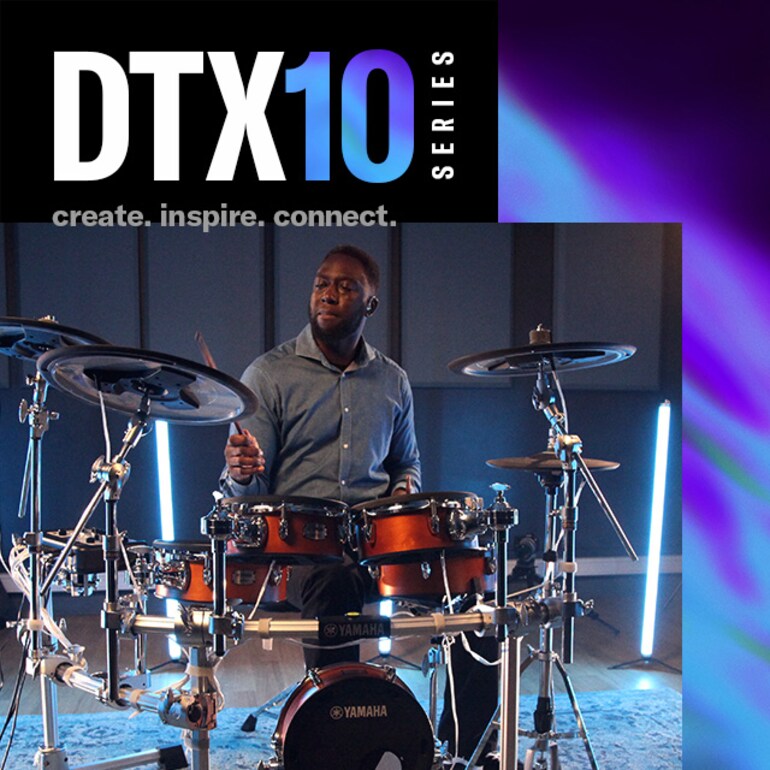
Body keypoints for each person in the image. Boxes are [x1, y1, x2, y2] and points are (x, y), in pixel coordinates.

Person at [219, 244, 498, 768]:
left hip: (378, 548)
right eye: (321, 283)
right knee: (335, 584)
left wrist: (404, 490)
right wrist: (240, 473)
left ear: (370, 304)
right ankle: (339, 747)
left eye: (345, 286)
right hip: (299, 558)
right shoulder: (269, 374)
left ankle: (466, 748)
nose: (328, 294)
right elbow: (248, 501)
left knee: (475, 586)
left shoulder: (392, 380)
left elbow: (407, 463)